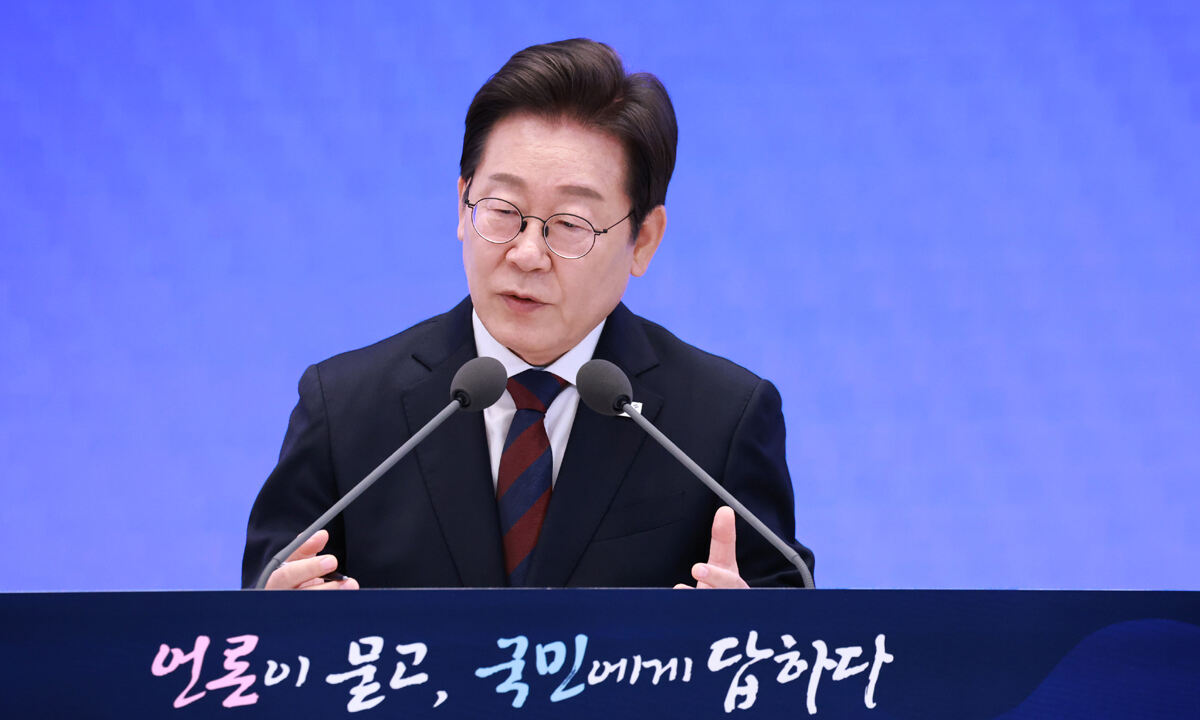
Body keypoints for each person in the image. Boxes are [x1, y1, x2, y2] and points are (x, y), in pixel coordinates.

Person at [242, 39, 814, 590]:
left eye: (569, 224)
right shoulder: (345, 410)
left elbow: (789, 618)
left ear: (643, 239)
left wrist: (745, 627)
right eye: (502, 209)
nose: (526, 254)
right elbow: (255, 616)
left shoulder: (720, 422)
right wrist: (284, 620)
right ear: (462, 204)